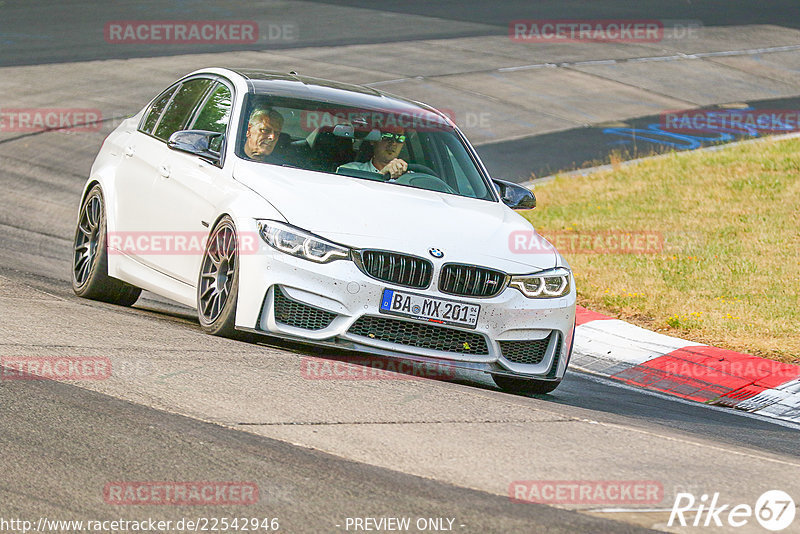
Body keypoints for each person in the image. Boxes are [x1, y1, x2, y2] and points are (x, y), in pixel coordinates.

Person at [338, 128, 409, 179]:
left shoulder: (410, 178)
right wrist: (381, 175)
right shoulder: (350, 170)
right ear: (373, 140)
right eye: (387, 136)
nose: (393, 143)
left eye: (400, 138)